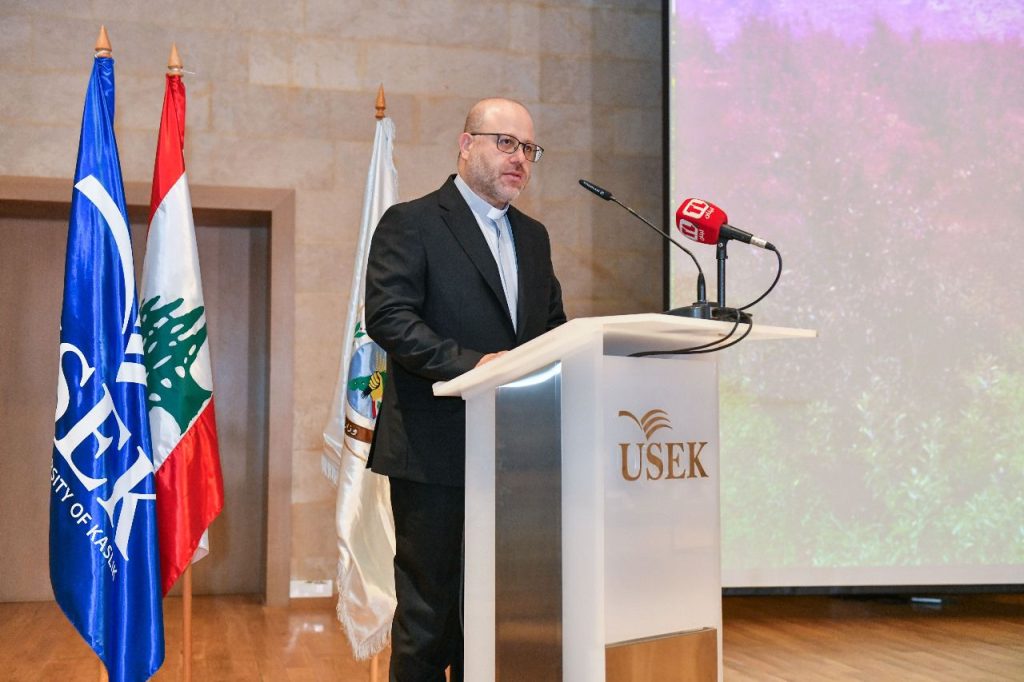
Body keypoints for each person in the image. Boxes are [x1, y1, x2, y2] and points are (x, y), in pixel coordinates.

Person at [364, 97, 567, 681]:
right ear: (465, 144)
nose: (520, 158)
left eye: (529, 149)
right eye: (506, 143)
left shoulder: (534, 237)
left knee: (496, 620)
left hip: (517, 457)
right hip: (435, 453)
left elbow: (552, 328)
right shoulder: (413, 221)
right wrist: (479, 367)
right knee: (429, 621)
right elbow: (390, 318)